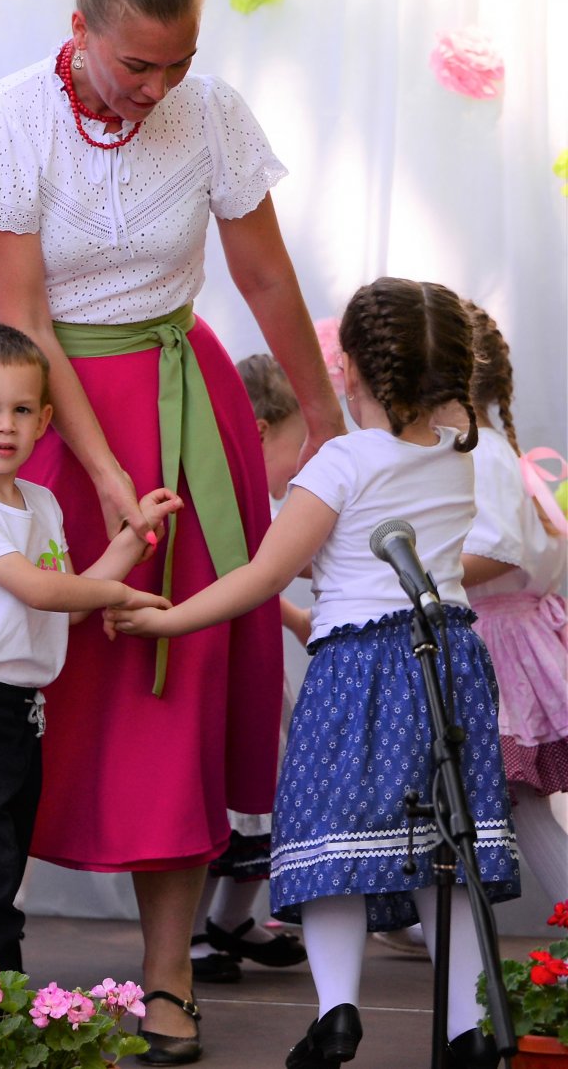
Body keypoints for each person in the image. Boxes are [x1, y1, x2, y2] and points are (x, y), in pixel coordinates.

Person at [0, 0, 340, 1062]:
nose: (156, 88)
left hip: (187, 408)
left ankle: (169, 974)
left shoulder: (208, 114)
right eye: (134, 66)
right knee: (22, 686)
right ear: (80, 34)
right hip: (45, 418)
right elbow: (24, 319)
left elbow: (265, 282)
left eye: (179, 62)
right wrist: (104, 473)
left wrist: (323, 421)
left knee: (175, 677)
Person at [111, 278, 517, 1069]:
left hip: (358, 669)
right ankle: (468, 1025)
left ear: (349, 372)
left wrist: (166, 617)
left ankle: (337, 1014)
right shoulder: (455, 456)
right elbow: (452, 409)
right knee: (444, 852)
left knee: (331, 843)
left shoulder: (342, 463)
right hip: (448, 659)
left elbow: (263, 575)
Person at [0, 323, 179, 980]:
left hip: (18, 715)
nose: (5, 425)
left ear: (44, 419)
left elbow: (74, 596)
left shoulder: (40, 501)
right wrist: (124, 592)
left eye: (22, 410)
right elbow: (37, 588)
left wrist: (135, 535)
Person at [187, 354, 311, 984]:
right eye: (300, 443)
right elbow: (233, 569)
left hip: (256, 656)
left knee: (268, 780)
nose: (303, 460)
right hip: (216, 657)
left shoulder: (262, 502)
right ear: (259, 429)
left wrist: (288, 614)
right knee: (219, 785)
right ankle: (188, 933)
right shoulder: (218, 490)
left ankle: (231, 919)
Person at [447, 300, 568, 906]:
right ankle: (427, 918)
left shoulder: (482, 455)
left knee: (520, 806)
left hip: (501, 647)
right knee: (503, 803)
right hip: (512, 639)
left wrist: (422, 573)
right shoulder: (493, 451)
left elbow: (501, 551)